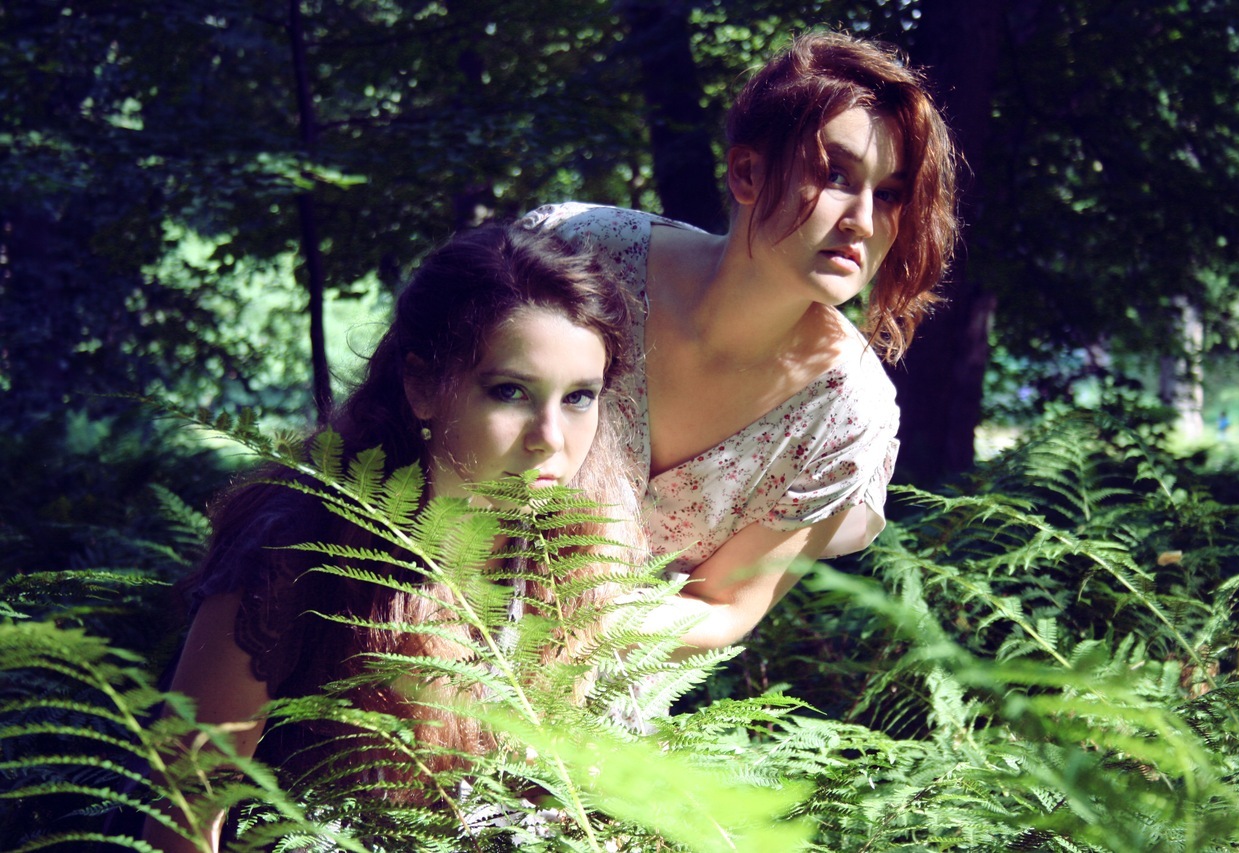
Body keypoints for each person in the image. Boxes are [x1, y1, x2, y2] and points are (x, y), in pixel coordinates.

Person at [139, 224, 643, 852]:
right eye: (510, 392)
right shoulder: (297, 547)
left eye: (578, 398)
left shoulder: (576, 550)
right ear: (422, 386)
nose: (550, 438)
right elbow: (185, 820)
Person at [520, 30, 958, 656]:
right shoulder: (582, 253)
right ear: (748, 173)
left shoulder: (845, 414)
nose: (863, 220)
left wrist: (563, 633)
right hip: (417, 608)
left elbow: (722, 608)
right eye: (836, 175)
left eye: (888, 194)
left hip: (594, 684)